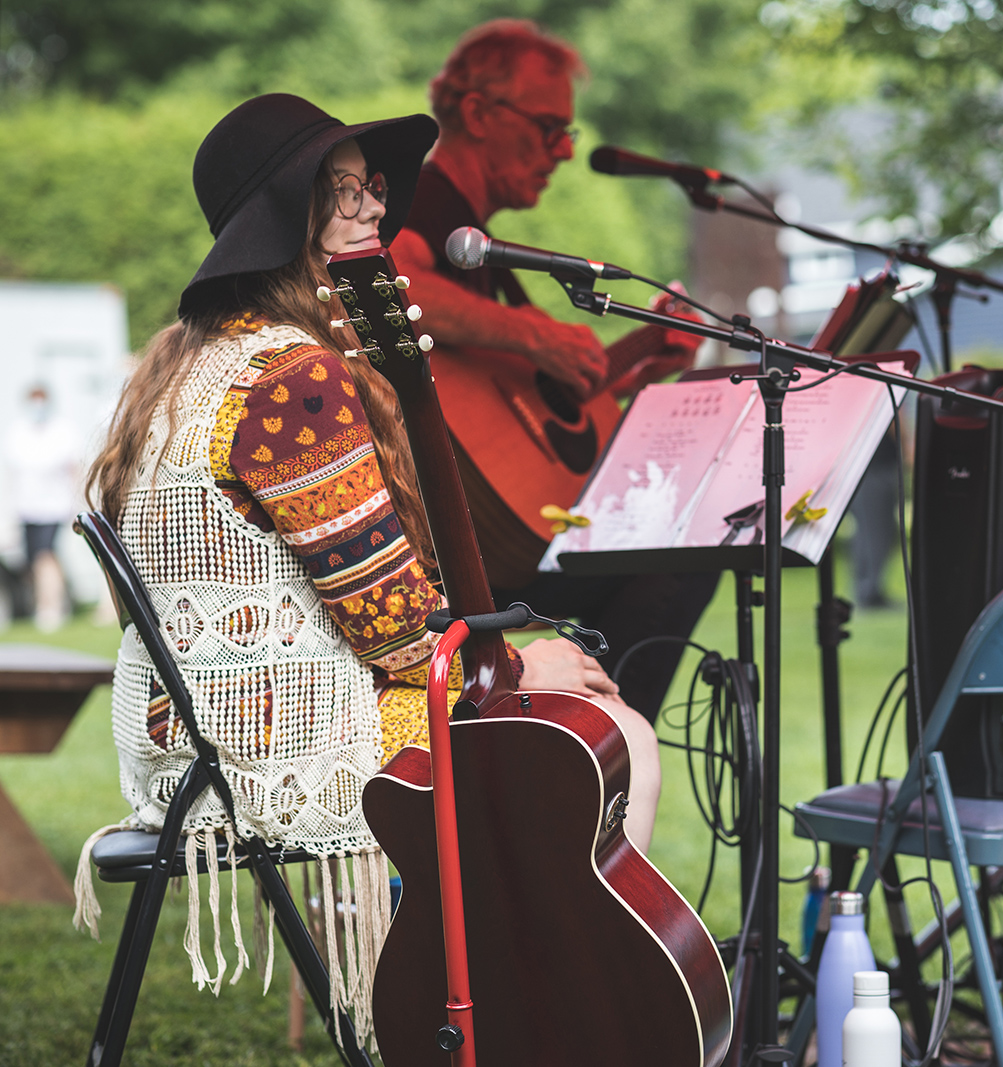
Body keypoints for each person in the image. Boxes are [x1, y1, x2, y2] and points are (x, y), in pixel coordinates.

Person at [75, 96, 660, 1027]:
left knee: (568, 720)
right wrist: (520, 663)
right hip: (274, 740)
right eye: (337, 188)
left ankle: (502, 990)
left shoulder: (185, 361)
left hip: (186, 738)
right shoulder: (292, 379)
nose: (371, 207)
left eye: (371, 186)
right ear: (282, 213)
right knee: (611, 730)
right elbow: (394, 635)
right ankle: (558, 1011)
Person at [391, 20, 716, 722]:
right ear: (478, 113)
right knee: (680, 557)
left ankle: (582, 747)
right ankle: (593, 747)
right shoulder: (423, 202)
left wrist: (633, 362)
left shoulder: (480, 242)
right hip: (460, 542)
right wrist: (534, 331)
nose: (566, 151)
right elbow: (386, 284)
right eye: (549, 129)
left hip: (510, 524)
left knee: (681, 553)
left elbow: (523, 410)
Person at [3, 383, 80, 630]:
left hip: (54, 506)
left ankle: (51, 608)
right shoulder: (20, 431)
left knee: (45, 556)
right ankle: (48, 602)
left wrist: (76, 504)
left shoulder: (61, 430)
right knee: (35, 560)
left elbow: (72, 469)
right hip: (27, 507)